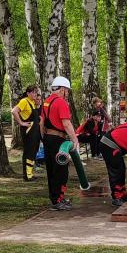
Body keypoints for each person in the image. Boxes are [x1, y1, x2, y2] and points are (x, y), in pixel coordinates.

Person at [40, 76, 80, 210]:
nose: (67, 93)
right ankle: (58, 200)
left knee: (51, 170)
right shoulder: (61, 102)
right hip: (58, 140)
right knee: (61, 171)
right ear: (62, 89)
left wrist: (43, 138)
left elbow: (41, 122)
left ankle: (55, 198)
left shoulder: (46, 102)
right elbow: (66, 123)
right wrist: (74, 139)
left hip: (48, 138)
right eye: (67, 90)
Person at [11, 84, 41, 181]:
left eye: (36, 92)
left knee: (33, 152)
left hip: (35, 132)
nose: (35, 94)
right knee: (29, 152)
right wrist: (21, 123)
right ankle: (27, 176)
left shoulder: (32, 102)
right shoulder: (24, 101)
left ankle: (30, 174)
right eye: (33, 92)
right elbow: (14, 111)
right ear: (28, 93)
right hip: (28, 132)